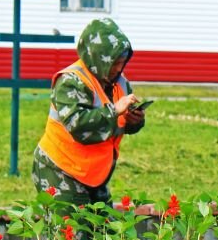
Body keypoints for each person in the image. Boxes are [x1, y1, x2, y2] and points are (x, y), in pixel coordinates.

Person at [32, 18, 146, 206]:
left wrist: (134, 120)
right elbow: (79, 126)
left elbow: (118, 125)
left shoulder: (120, 82)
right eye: (114, 63)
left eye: (122, 62)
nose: (119, 68)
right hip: (60, 170)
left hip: (93, 174)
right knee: (71, 233)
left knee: (104, 232)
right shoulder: (71, 81)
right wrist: (115, 110)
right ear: (97, 59)